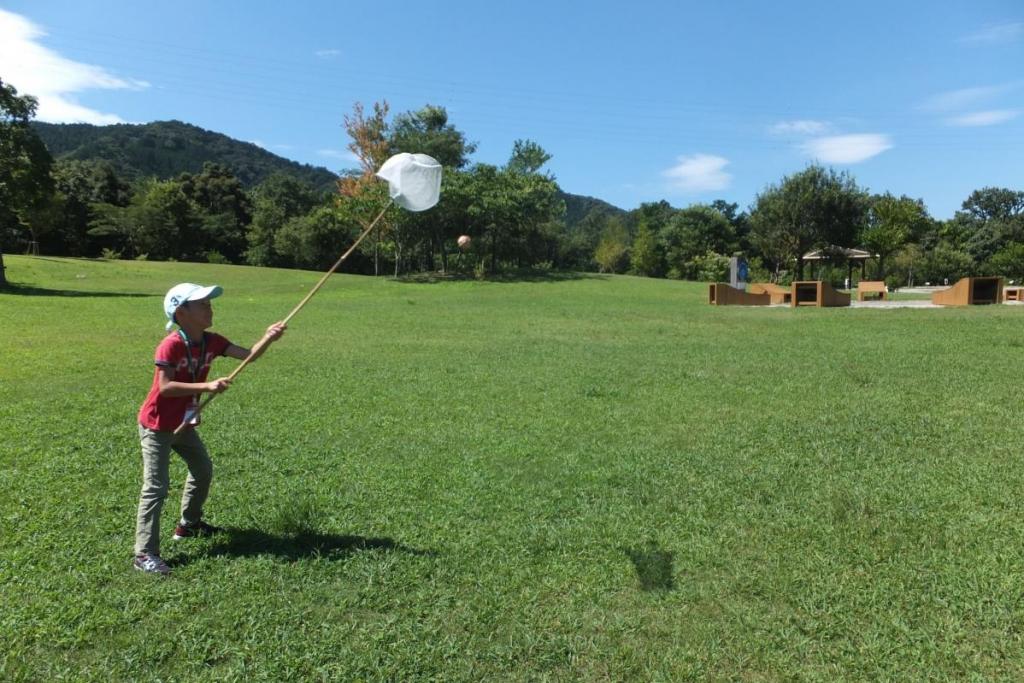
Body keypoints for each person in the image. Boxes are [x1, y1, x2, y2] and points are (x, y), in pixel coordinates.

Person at [134, 282, 286, 576]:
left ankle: (189, 524)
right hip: (157, 426)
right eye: (202, 304)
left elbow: (250, 356)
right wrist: (206, 385)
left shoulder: (212, 341)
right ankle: (144, 554)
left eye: (209, 303)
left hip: (184, 424)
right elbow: (164, 388)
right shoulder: (171, 344)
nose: (209, 307)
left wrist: (268, 337)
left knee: (202, 469)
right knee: (156, 487)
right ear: (182, 312)